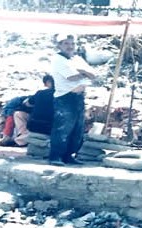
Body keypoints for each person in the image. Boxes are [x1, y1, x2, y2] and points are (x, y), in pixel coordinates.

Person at [48, 34, 96, 166]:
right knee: (62, 128)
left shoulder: (77, 59)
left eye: (72, 44)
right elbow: (71, 76)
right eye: (66, 44)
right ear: (59, 45)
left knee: (77, 128)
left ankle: (69, 155)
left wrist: (82, 71)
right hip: (65, 97)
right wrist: (84, 73)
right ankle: (55, 156)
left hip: (79, 97)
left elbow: (93, 75)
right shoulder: (58, 59)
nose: (70, 47)